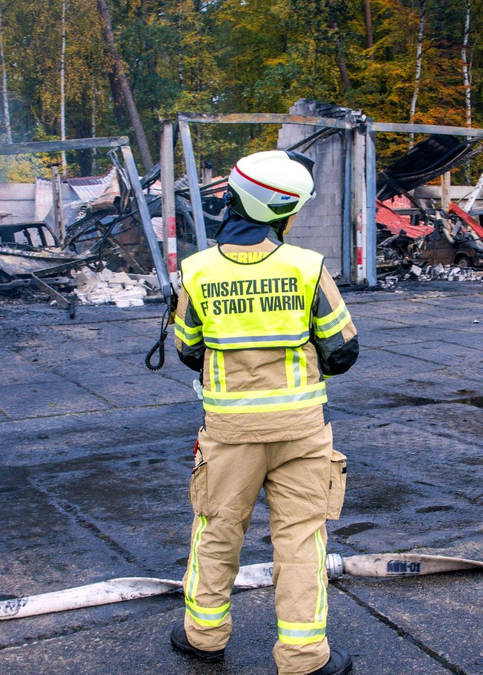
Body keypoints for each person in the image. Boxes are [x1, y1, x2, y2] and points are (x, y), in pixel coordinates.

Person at [169, 150, 359, 675]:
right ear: (283, 213)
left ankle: (203, 637)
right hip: (301, 432)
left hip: (229, 434)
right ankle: (302, 659)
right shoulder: (307, 268)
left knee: (217, 529)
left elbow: (188, 349)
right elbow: (343, 353)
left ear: (234, 198)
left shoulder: (196, 272)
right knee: (300, 538)